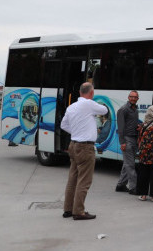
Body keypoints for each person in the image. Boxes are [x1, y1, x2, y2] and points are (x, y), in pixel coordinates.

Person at [59, 82, 108, 220]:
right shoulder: (89, 104)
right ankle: (79, 211)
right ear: (91, 93)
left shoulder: (72, 107)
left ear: (80, 92)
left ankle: (68, 209)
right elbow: (104, 111)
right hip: (85, 147)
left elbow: (63, 125)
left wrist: (75, 131)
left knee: (72, 179)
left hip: (73, 145)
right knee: (84, 180)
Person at [115, 91, 140, 194]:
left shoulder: (135, 109)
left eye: (135, 97)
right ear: (128, 97)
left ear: (138, 98)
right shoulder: (123, 109)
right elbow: (120, 128)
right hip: (127, 139)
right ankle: (133, 188)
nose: (133, 99)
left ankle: (121, 185)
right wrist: (122, 142)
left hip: (134, 139)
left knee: (127, 163)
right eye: (131, 97)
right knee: (130, 164)